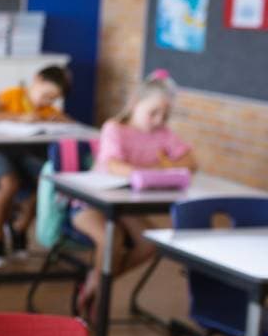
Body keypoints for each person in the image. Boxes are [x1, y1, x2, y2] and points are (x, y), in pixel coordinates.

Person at [72, 69, 197, 319]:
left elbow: (191, 161)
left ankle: (97, 284)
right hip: (89, 204)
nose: (159, 120)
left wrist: (158, 170)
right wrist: (158, 170)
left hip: (126, 208)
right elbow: (115, 165)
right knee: (111, 239)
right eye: (153, 113)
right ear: (135, 104)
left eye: (165, 115)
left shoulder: (163, 133)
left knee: (150, 242)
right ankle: (99, 292)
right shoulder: (114, 128)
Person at [0, 65, 73, 255]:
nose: (48, 101)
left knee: (47, 181)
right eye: (46, 94)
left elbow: (70, 124)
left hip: (25, 155)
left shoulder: (46, 109)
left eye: (53, 99)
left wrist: (56, 119)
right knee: (10, 184)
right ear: (37, 80)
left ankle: (20, 228)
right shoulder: (13, 95)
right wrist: (19, 117)